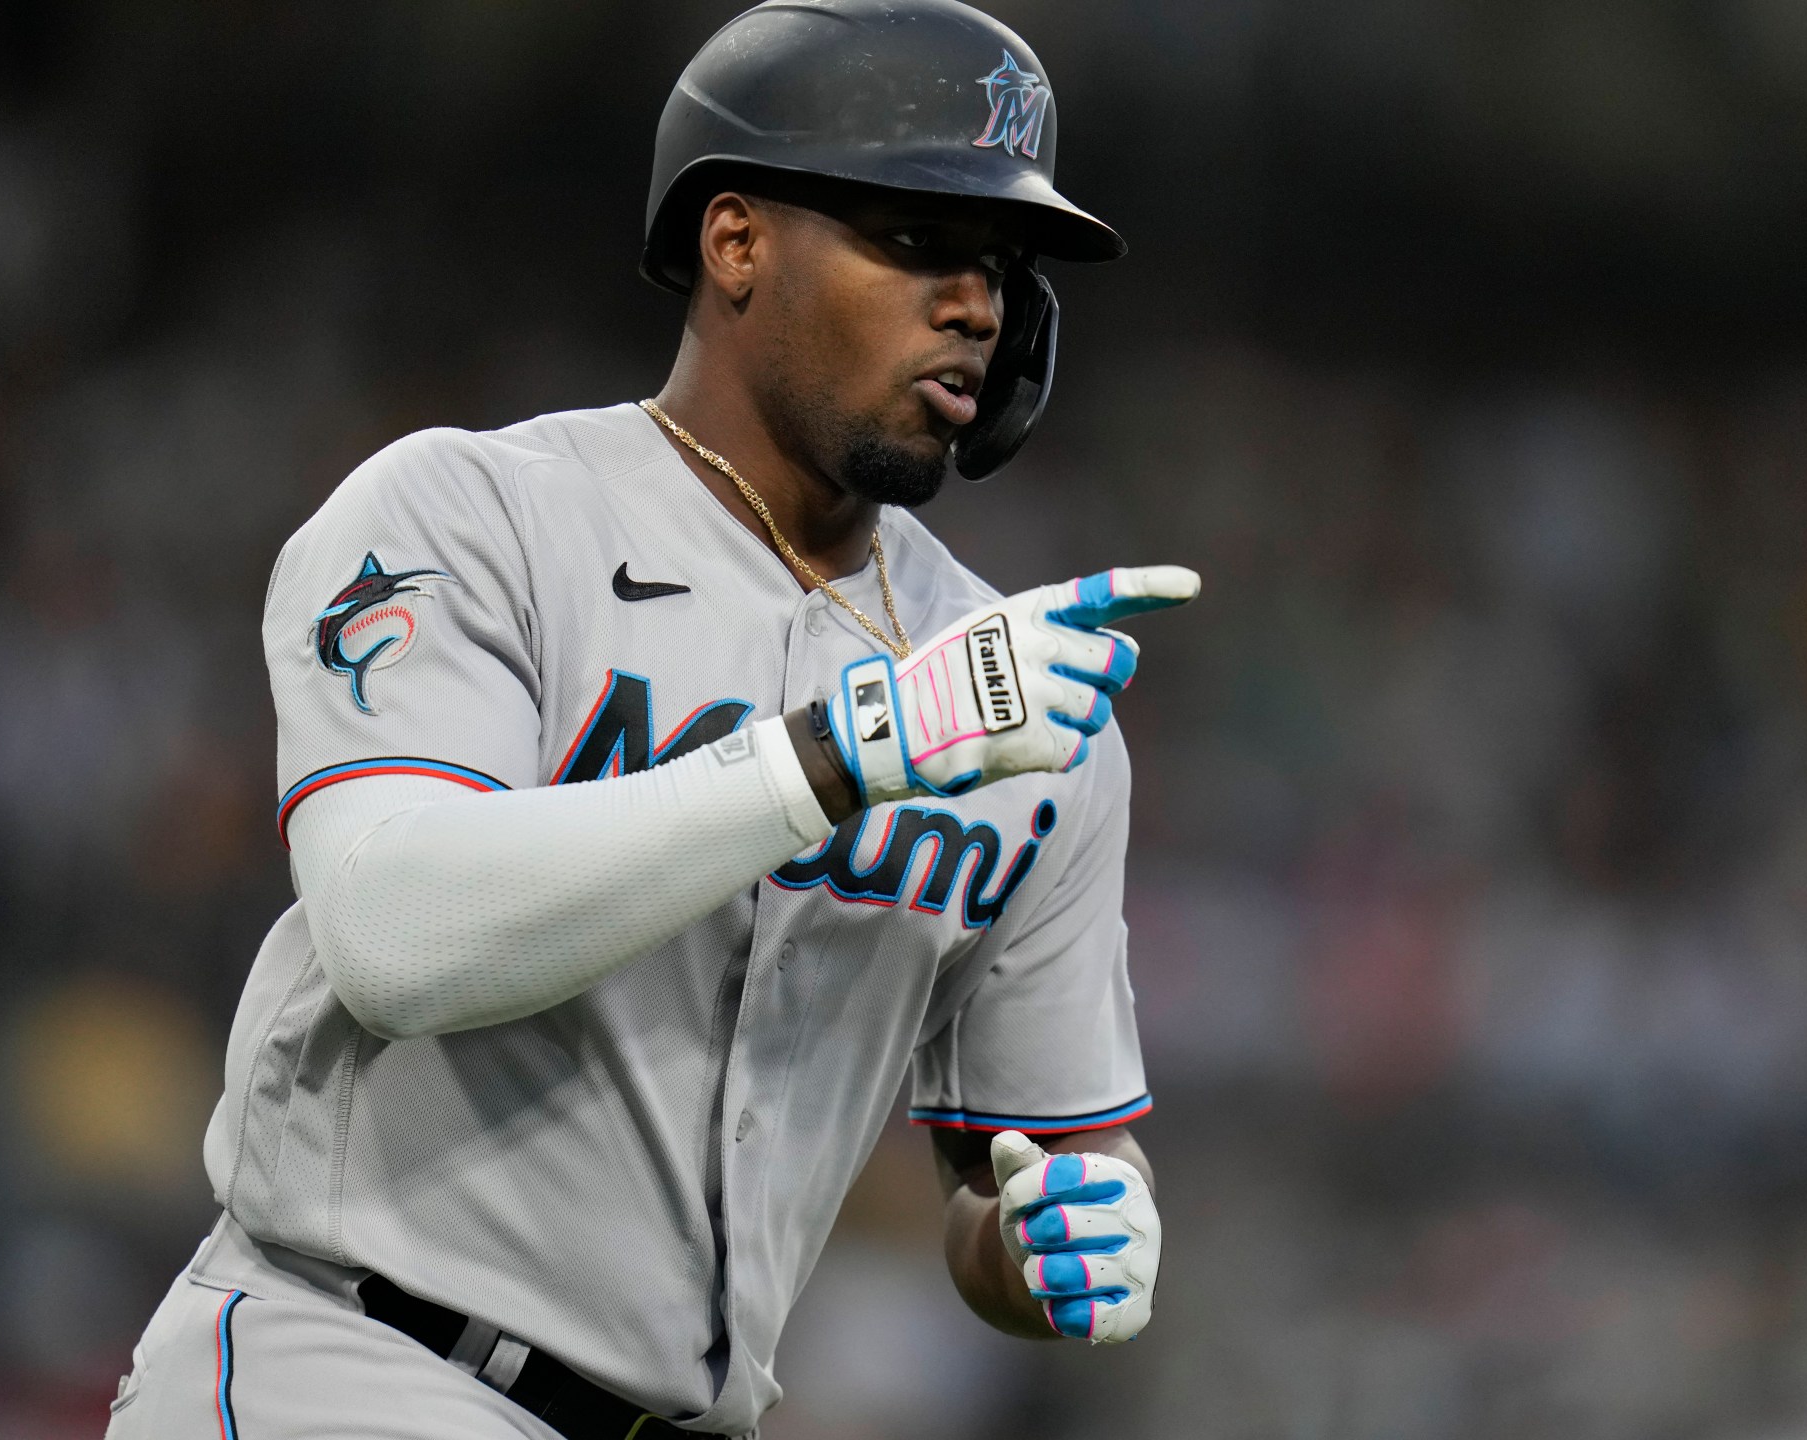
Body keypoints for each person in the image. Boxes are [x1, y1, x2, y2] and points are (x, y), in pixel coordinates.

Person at [105, 2, 1194, 1436]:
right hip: (356, 1367)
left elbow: (1002, 1193)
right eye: (919, 240)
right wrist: (838, 753)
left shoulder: (1032, 701)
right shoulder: (470, 516)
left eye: (1000, 267)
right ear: (735, 243)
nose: (978, 305)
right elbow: (392, 936)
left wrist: (1055, 1241)